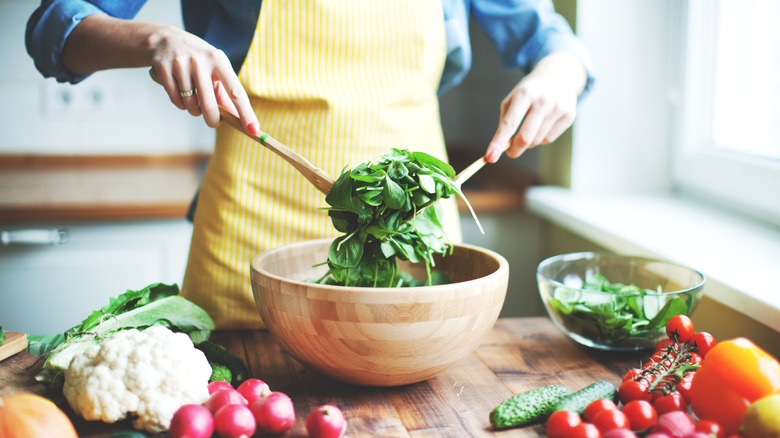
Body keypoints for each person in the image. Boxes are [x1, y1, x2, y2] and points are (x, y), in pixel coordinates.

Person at [27, 0, 594, 329]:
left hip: (413, 246)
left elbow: (551, 39)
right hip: (245, 250)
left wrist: (560, 72)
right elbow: (54, 29)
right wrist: (156, 39)